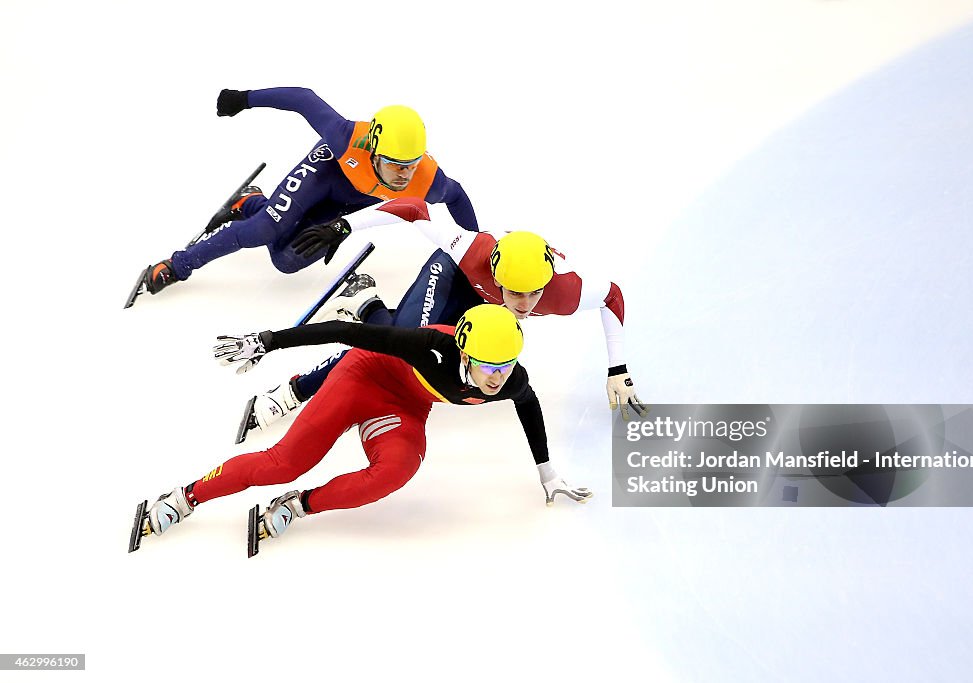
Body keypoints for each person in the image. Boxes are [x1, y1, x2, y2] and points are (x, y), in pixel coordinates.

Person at [131, 304, 592, 554]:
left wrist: (548, 475)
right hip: (364, 377)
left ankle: (300, 506)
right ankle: (185, 497)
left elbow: (528, 405)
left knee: (397, 470)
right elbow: (341, 333)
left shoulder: (513, 381)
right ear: (465, 352)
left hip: (406, 406)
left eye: (507, 365)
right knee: (285, 462)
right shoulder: (432, 347)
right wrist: (269, 341)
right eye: (489, 365)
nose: (498, 376)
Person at [240, 197, 646, 443]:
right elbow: (415, 210)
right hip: (454, 276)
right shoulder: (471, 250)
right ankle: (297, 390)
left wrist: (618, 369)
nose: (524, 305)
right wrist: (343, 225)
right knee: (402, 342)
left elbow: (612, 296)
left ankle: (364, 301)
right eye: (515, 292)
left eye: (534, 293)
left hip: (487, 305)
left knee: (416, 339)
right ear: (497, 275)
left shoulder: (565, 292)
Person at [137, 87, 478, 296]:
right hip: (327, 171)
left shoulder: (428, 180)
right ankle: (179, 264)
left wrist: (473, 251)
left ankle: (252, 202)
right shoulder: (345, 136)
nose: (404, 175)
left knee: (286, 260)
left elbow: (458, 196)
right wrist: (244, 99)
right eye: (394, 163)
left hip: (349, 202)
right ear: (373, 148)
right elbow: (303, 99)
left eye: (412, 164)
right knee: (264, 230)